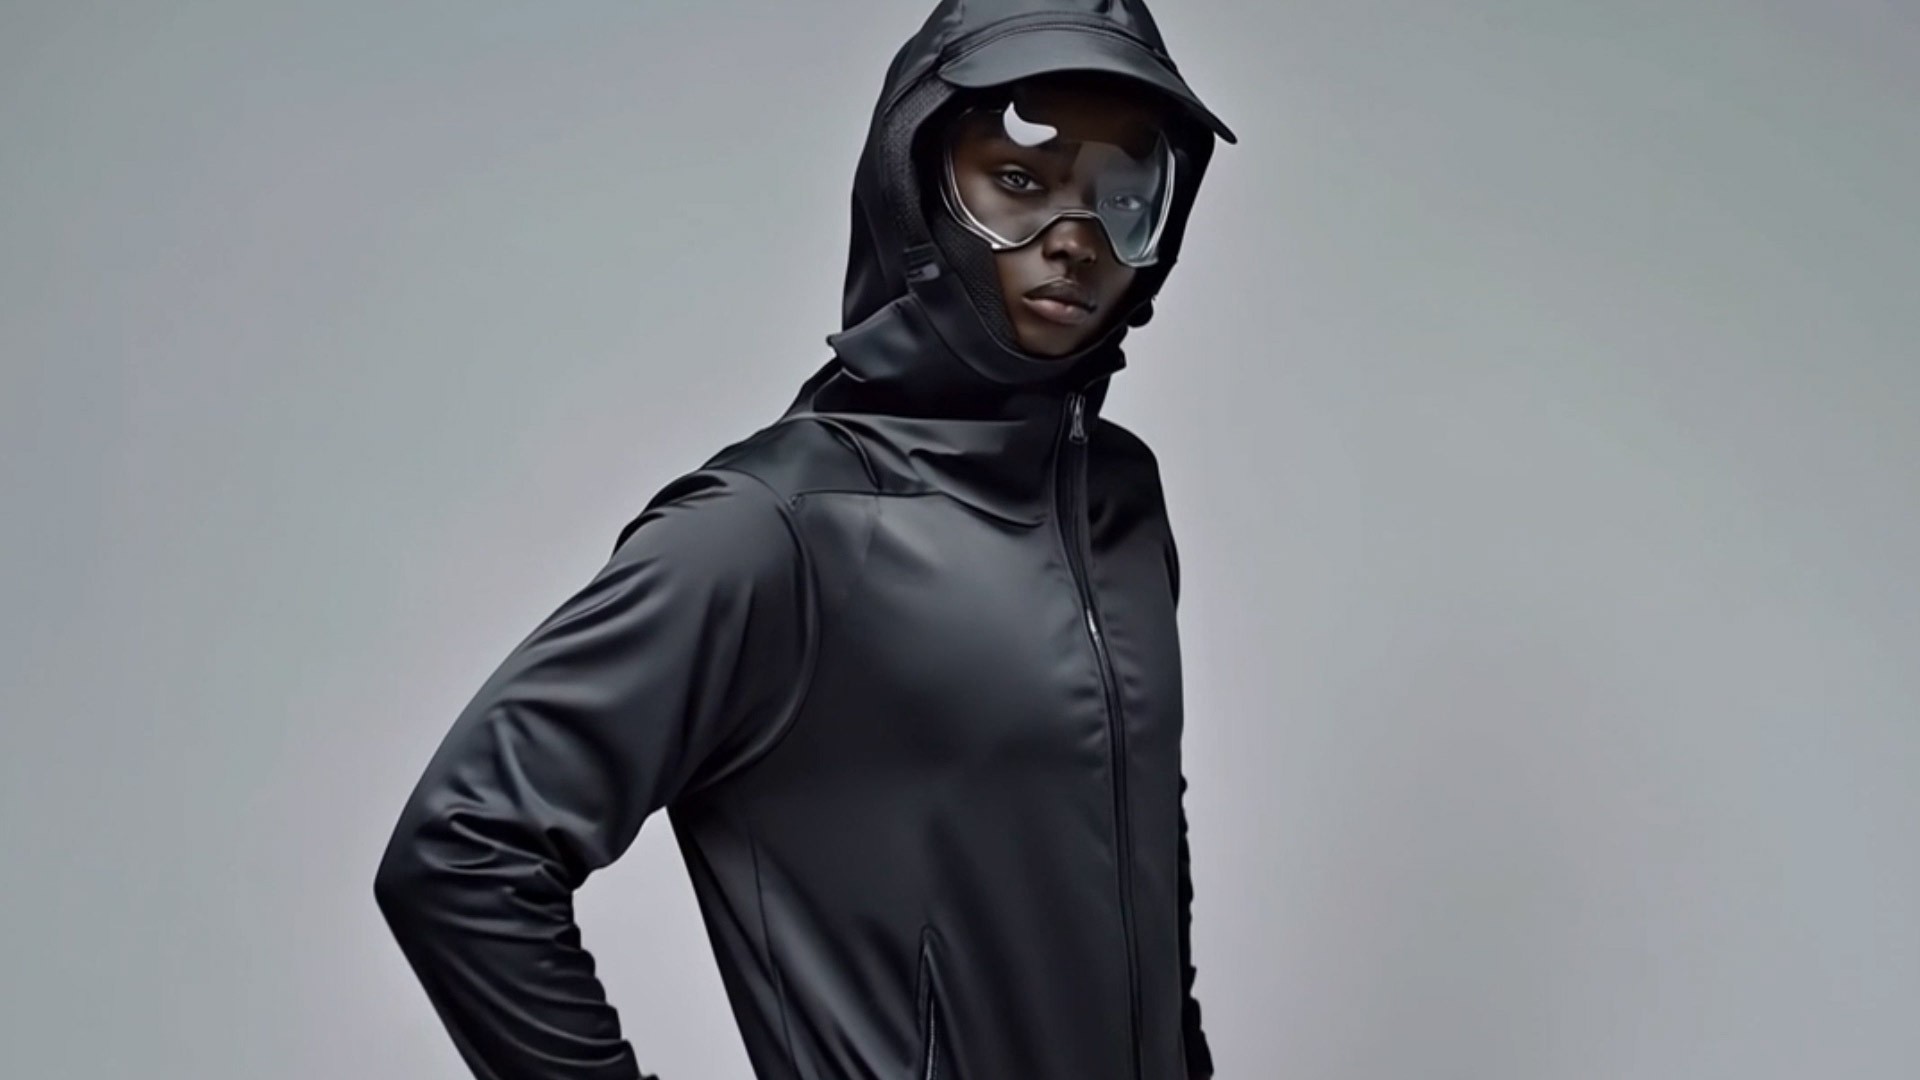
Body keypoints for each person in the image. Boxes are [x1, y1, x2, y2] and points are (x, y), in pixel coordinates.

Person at [372, 1, 1237, 1078]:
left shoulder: (1119, 498)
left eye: (1123, 200)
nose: (1076, 238)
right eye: (1019, 181)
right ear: (916, 186)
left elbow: (1141, 846)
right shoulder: (779, 527)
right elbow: (462, 852)